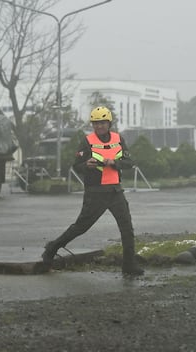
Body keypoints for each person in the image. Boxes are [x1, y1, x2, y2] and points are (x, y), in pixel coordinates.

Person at [41, 106, 144, 276]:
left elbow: (129, 162)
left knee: (127, 228)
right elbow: (76, 165)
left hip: (115, 192)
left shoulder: (119, 139)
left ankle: (129, 266)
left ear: (109, 123)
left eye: (102, 123)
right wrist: (86, 166)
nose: (99, 126)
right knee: (81, 227)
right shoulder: (87, 141)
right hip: (95, 193)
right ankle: (51, 248)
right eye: (96, 123)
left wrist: (113, 163)